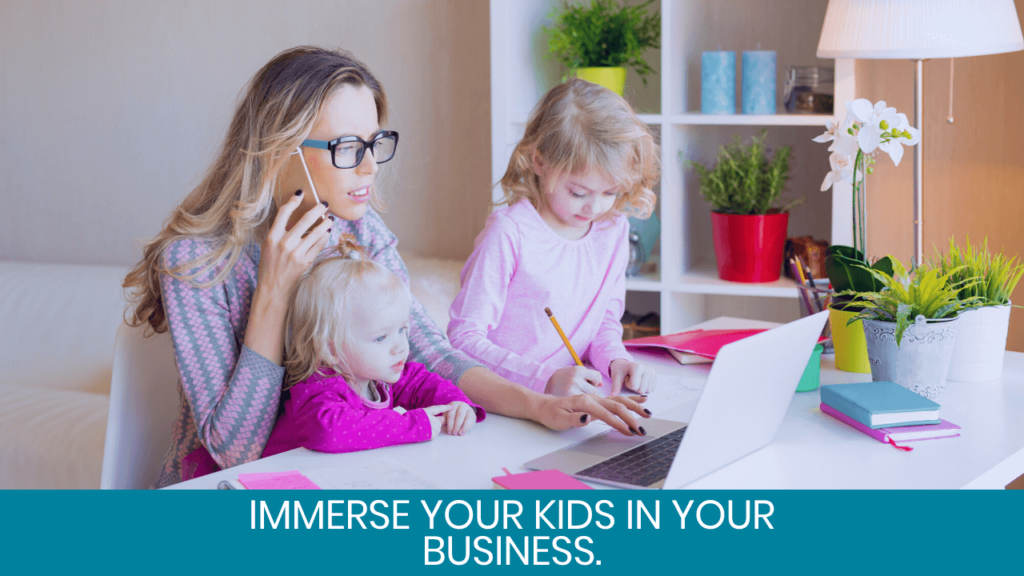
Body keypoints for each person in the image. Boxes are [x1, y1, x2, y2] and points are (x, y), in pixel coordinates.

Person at [122, 47, 649, 487]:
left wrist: (536, 405)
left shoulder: (359, 231)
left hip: (342, 475)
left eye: (375, 143)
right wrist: (274, 291)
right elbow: (236, 451)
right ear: (279, 149)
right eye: (348, 147)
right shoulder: (196, 261)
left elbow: (434, 354)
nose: (371, 167)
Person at [448, 79, 659, 400]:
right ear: (540, 161)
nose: (595, 207)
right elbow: (463, 339)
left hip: (572, 400)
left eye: (610, 192)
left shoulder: (612, 229)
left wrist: (617, 360)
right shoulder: (510, 233)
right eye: (578, 192)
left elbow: (603, 323)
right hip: (510, 402)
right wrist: (544, 379)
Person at [261, 241, 483, 457]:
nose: (400, 347)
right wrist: (411, 424)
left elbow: (424, 384)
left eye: (402, 330)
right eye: (380, 338)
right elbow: (329, 432)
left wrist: (459, 405)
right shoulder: (318, 387)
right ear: (330, 350)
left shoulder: (379, 375)